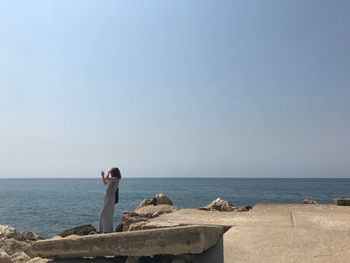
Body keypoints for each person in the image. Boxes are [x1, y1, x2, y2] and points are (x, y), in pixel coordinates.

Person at [98, 167, 121, 233]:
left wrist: (107, 172)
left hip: (110, 197)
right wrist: (102, 176)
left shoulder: (116, 179)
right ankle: (103, 229)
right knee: (105, 213)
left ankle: (107, 230)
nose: (110, 173)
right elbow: (105, 182)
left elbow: (107, 178)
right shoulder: (112, 179)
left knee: (106, 213)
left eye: (111, 172)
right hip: (107, 197)